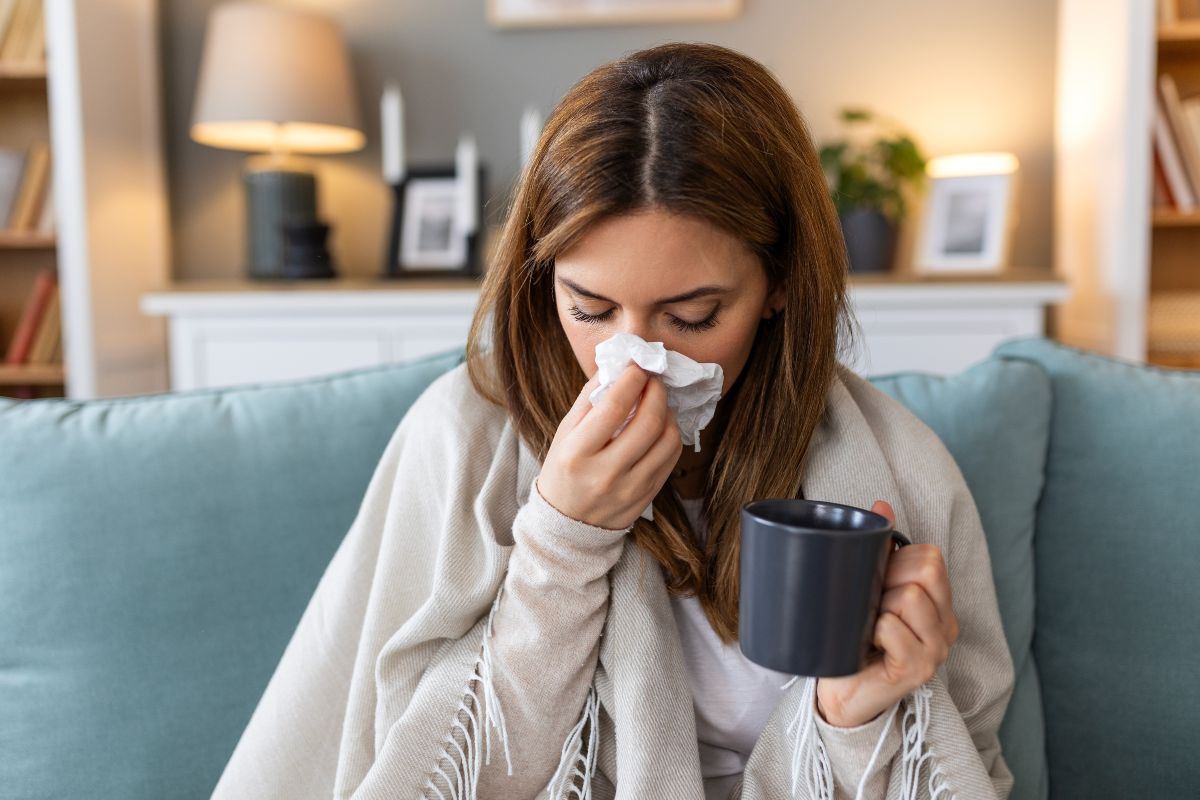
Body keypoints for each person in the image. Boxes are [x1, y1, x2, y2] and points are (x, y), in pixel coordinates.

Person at [211, 42, 1015, 800]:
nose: (635, 359)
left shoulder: (901, 473)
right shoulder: (461, 440)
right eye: (590, 309)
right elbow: (451, 773)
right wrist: (563, 539)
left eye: (693, 316)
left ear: (778, 287)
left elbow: (964, 765)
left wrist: (857, 717)